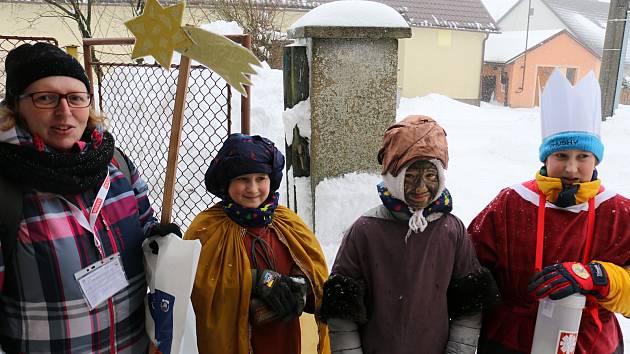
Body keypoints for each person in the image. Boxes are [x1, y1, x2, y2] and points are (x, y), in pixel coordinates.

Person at [0, 42, 178, 353]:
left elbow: (144, 225)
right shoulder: (6, 187)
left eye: (76, 98)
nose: (64, 111)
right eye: (45, 98)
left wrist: (159, 239)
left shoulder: (115, 165)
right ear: (15, 106)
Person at [468, 69, 630, 354]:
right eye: (561, 156)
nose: (571, 168)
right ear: (546, 157)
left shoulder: (619, 212)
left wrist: (598, 275)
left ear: (596, 159)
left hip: (591, 343)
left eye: (583, 157)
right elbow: (469, 264)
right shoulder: (512, 203)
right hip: (512, 341)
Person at [319, 115, 500, 354]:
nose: (421, 188)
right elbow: (342, 311)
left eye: (430, 176)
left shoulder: (452, 231)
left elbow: (468, 306)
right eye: (410, 177)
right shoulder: (365, 231)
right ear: (393, 177)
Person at [185, 133, 330, 354]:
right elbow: (198, 291)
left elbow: (315, 274)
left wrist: (301, 284)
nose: (252, 188)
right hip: (233, 341)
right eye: (243, 179)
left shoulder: (288, 222)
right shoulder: (206, 229)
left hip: (283, 338)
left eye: (260, 178)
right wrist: (254, 280)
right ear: (227, 182)